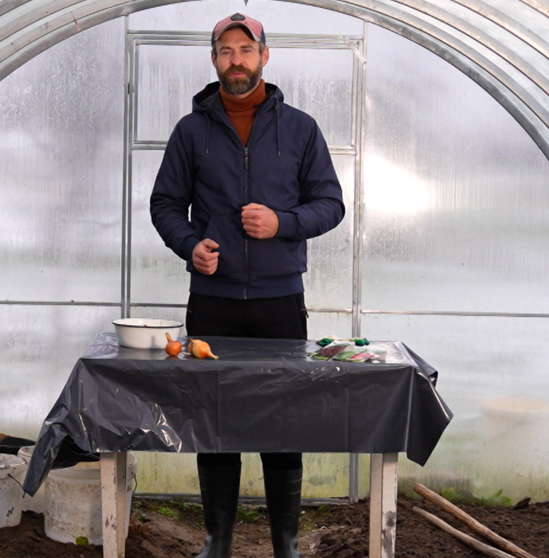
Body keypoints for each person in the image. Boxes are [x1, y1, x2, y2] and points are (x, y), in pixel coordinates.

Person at [150, 13, 345, 558]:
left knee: (284, 421)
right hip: (212, 302)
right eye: (225, 51)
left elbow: (331, 204)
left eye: (245, 49)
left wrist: (282, 222)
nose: (236, 60)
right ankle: (217, 542)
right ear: (214, 59)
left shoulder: (300, 128)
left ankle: (286, 545)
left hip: (280, 301)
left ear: (264, 55)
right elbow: (165, 204)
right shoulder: (191, 131)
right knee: (214, 424)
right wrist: (190, 245)